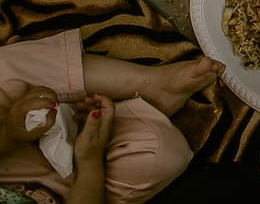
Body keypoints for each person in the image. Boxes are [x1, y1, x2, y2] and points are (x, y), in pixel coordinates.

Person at [0, 30, 223, 204]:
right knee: (161, 156)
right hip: (71, 189)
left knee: (4, 68)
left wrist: (11, 132)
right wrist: (89, 162)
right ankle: (146, 107)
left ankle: (147, 83)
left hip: (11, 158)